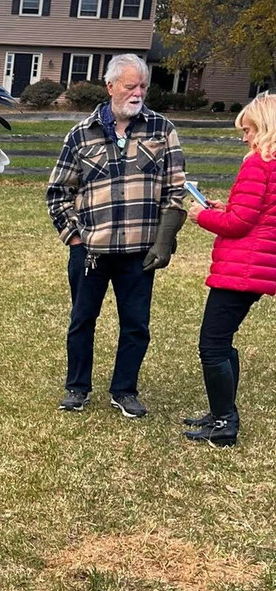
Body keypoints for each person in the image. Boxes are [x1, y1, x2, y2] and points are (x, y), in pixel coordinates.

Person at [47, 53, 187, 418]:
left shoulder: (161, 130)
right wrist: (74, 237)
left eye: (142, 86)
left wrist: (164, 240)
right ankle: (77, 388)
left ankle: (124, 390)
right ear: (110, 87)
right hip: (91, 250)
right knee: (82, 321)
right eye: (130, 86)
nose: (138, 92)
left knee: (137, 325)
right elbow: (58, 191)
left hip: (141, 253)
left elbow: (176, 190)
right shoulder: (81, 134)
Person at [182, 92, 276, 447]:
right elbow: (256, 213)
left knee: (213, 345)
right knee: (223, 342)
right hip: (258, 268)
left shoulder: (258, 163)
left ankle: (224, 422)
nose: (245, 137)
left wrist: (202, 215)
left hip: (244, 269)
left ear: (264, 128)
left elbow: (239, 224)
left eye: (249, 130)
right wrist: (226, 206)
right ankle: (221, 411)